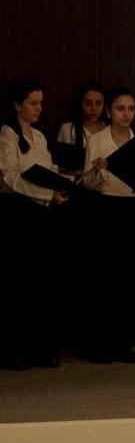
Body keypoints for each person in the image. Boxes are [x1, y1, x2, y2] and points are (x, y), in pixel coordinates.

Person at [80, 87, 135, 363]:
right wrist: (98, 170)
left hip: (133, 209)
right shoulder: (97, 139)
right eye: (120, 108)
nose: (126, 114)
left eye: (131, 109)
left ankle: (125, 342)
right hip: (107, 210)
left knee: (132, 278)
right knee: (106, 277)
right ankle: (101, 344)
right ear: (109, 111)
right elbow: (88, 183)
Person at [0, 79, 67, 369]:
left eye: (41, 103)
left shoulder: (39, 136)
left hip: (42, 214)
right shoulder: (7, 133)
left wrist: (63, 184)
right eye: (33, 103)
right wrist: (45, 193)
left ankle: (40, 347)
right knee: (19, 282)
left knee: (42, 281)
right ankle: (14, 350)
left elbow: (48, 169)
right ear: (18, 105)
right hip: (17, 212)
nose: (39, 108)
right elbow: (9, 177)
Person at [55, 81, 107, 176]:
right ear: (80, 104)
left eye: (98, 104)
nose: (94, 108)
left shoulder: (110, 130)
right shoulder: (68, 129)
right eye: (88, 103)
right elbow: (59, 165)